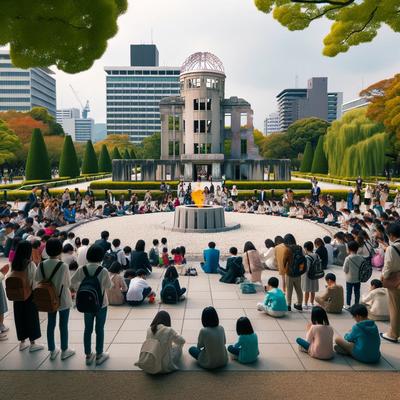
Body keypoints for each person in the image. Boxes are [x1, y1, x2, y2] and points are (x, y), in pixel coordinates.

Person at [71, 244, 112, 366]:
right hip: (101, 304)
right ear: (101, 257)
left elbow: (72, 282)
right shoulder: (103, 270)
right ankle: (99, 354)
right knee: (99, 329)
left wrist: (81, 288)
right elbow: (109, 286)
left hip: (86, 303)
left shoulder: (81, 269)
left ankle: (88, 355)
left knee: (87, 329)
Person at [35, 238, 75, 361]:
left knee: (50, 324)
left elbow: (38, 279)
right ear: (60, 250)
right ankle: (64, 350)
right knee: (63, 325)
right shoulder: (62, 265)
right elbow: (68, 283)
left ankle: (52, 350)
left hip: (48, 298)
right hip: (62, 299)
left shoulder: (42, 264)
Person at [9, 241, 44, 352]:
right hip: (29, 295)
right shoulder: (30, 264)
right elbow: (34, 282)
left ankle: (22, 342)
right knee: (31, 318)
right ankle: (33, 344)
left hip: (17, 295)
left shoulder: (14, 263)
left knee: (19, 317)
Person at [380, 223, 400, 343]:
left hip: (395, 281)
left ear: (391, 235)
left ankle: (393, 334)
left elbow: (388, 267)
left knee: (395, 308)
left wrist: (383, 276)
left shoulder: (391, 248)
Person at [283, 234, 303, 312]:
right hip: (298, 272)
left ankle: (288, 305)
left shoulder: (287, 249)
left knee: (289, 290)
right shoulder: (299, 248)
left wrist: (285, 269)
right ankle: (299, 304)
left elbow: (284, 261)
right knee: (299, 289)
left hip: (290, 273)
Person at [343, 241, 364, 308]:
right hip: (358, 278)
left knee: (349, 292)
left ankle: (348, 305)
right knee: (357, 292)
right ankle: (356, 304)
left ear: (349, 249)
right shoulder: (361, 257)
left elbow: (345, 269)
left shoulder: (348, 258)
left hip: (349, 279)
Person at [302, 241, 320, 309]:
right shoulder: (316, 255)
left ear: (306, 248)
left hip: (308, 276)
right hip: (315, 275)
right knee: (313, 290)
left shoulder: (307, 257)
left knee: (307, 290)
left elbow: (307, 268)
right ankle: (312, 303)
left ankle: (306, 304)